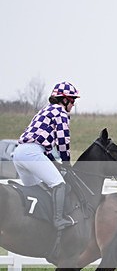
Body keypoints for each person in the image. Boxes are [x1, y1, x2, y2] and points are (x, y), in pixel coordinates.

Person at [13, 81, 81, 230]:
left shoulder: (45, 110)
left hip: (19, 153)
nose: (73, 104)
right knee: (58, 184)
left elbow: (46, 145)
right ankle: (58, 220)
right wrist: (66, 162)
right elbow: (63, 140)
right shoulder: (61, 112)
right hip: (32, 153)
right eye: (73, 100)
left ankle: (35, 225)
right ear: (64, 99)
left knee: (36, 192)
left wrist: (54, 162)